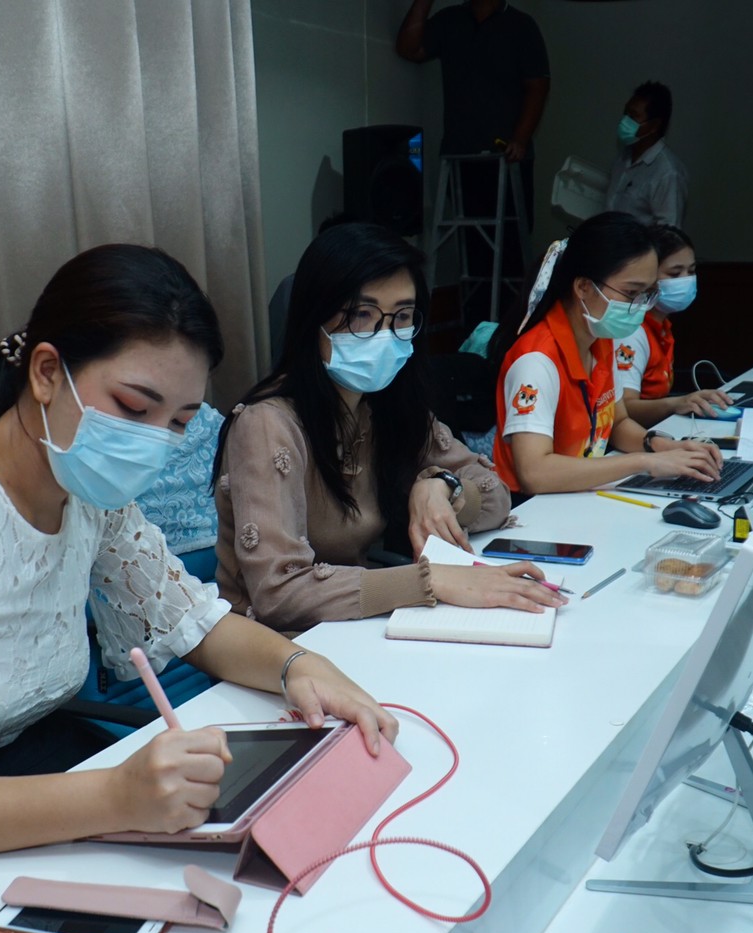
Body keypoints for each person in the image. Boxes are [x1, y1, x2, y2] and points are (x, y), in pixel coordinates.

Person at [0, 244, 396, 898]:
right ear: (46, 373)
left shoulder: (85, 492)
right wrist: (114, 796)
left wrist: (299, 668)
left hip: (34, 787)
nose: (154, 442)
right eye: (135, 409)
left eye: (179, 422)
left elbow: (191, 621)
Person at [214, 223, 564, 634]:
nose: (384, 334)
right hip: (275, 647)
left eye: (401, 316)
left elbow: (495, 495)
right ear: (314, 318)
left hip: (355, 628)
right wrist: (430, 582)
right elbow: (279, 594)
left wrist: (441, 487)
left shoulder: (385, 404)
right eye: (361, 315)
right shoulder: (268, 424)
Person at [492, 212, 722, 495]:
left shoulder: (600, 340)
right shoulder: (536, 361)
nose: (641, 305)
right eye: (631, 292)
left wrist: (664, 446)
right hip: (531, 506)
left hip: (576, 496)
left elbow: (618, 422)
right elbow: (535, 474)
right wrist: (646, 462)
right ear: (583, 287)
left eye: (648, 293)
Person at [397, 0, 550, 321]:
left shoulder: (521, 25)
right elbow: (410, 49)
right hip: (461, 154)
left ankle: (512, 331)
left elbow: (537, 86)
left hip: (507, 158)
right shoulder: (451, 19)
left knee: (510, 251)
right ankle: (476, 331)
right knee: (474, 250)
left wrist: (520, 139)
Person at [614, 224, 732, 427]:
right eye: (675, 274)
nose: (686, 280)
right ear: (647, 276)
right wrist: (677, 403)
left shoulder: (662, 325)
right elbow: (625, 410)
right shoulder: (632, 332)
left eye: (691, 271)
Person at [605, 81, 688, 228]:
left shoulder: (668, 173)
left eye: (633, 116)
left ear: (654, 125)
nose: (625, 120)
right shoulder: (624, 156)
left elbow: (669, 233)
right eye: (625, 113)